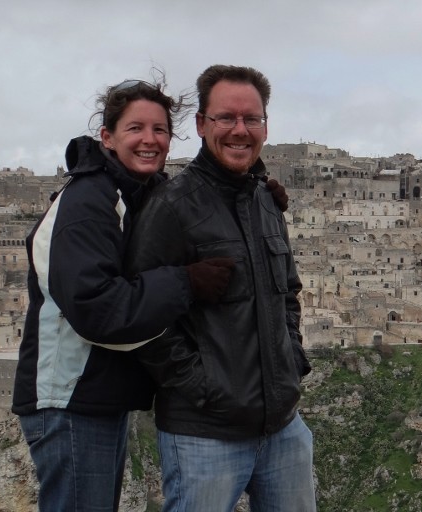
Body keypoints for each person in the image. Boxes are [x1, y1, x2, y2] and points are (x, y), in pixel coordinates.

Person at [11, 77, 244, 512]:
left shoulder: (133, 194)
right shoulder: (88, 202)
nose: (149, 140)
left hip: (96, 394)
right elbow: (97, 308)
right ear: (107, 137)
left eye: (159, 130)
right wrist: (186, 282)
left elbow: (196, 200)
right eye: (135, 128)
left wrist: (256, 192)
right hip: (69, 398)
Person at [126, 64, 315, 511]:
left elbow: (287, 293)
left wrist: (292, 359)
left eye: (251, 119)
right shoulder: (171, 207)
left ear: (265, 126)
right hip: (203, 435)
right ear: (200, 125)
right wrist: (202, 387)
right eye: (226, 118)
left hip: (283, 428)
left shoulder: (267, 201)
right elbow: (141, 313)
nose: (239, 130)